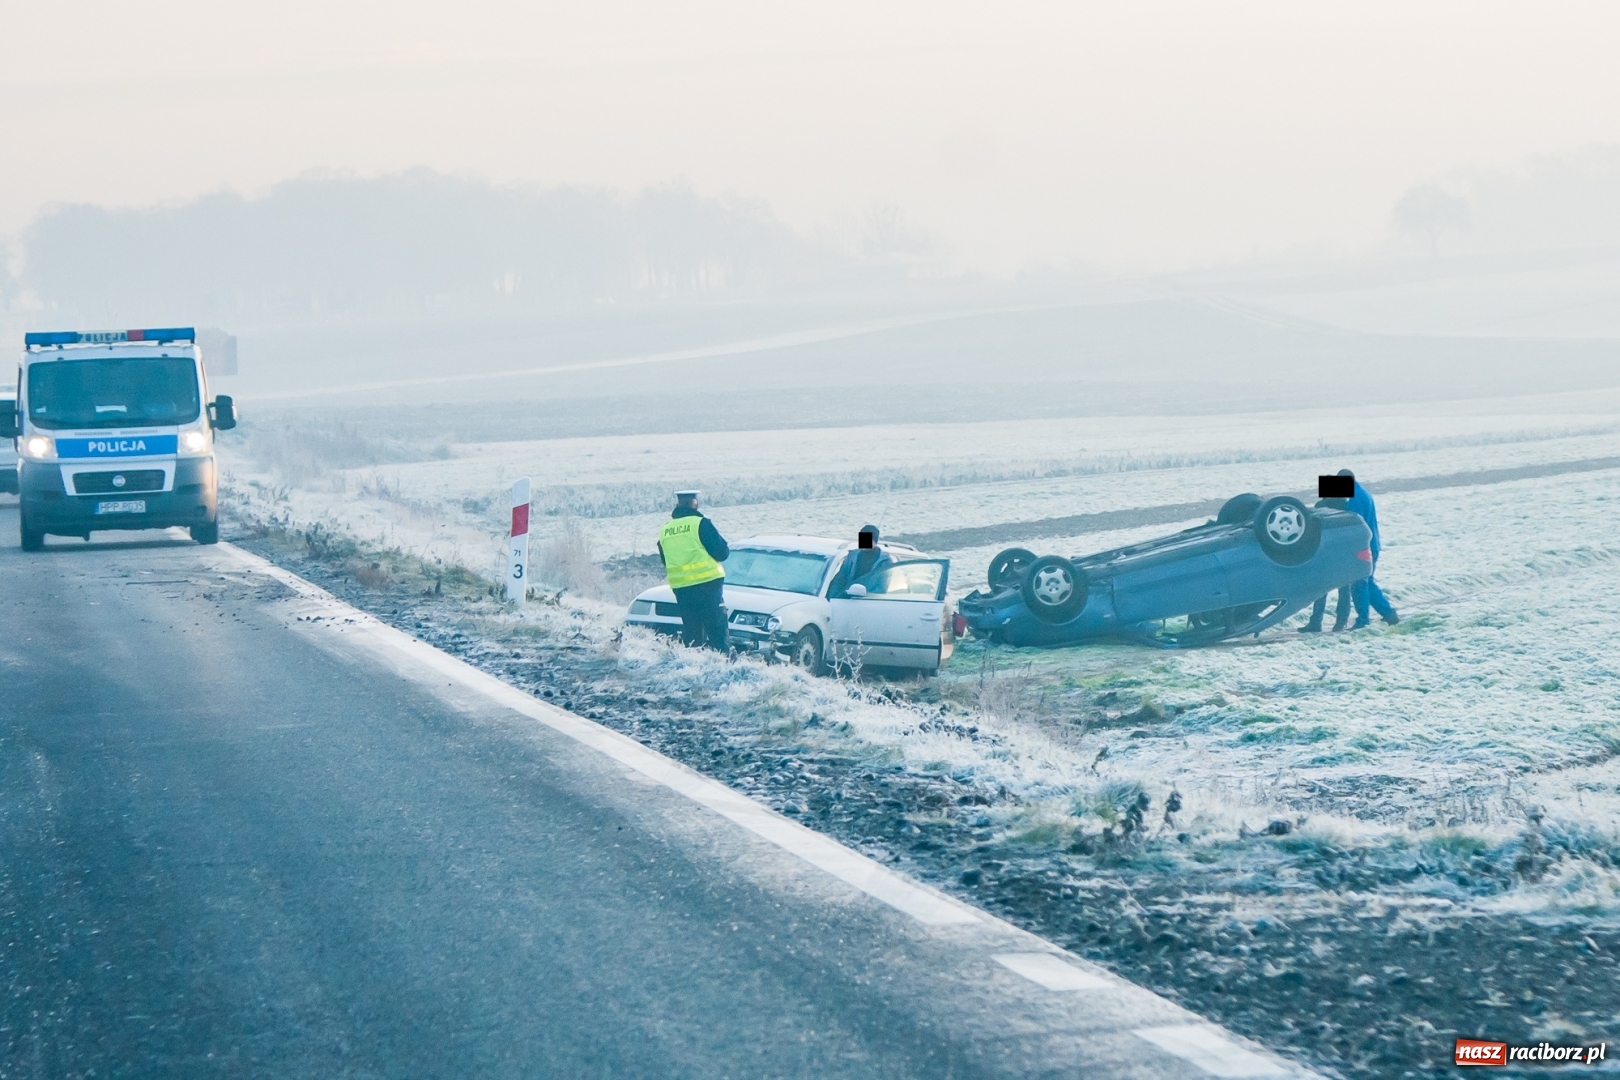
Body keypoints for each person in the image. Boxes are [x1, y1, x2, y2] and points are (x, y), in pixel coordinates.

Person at [657, 490, 731, 651]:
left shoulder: (665, 531)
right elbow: (722, 553)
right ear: (694, 503)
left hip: (682, 589)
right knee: (717, 632)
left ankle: (693, 666)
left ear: (678, 503)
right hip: (708, 586)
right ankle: (723, 667)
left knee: (692, 634)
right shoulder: (701, 523)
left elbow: (665, 560)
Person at [1339, 469, 1399, 628]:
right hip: (1373, 544)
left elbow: (1354, 525)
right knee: (1367, 582)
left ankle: (1363, 620)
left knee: (1359, 584)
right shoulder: (1362, 492)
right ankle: (1389, 613)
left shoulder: (1355, 499)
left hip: (1363, 547)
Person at [1299, 497, 1352, 632]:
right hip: (1343, 552)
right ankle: (1341, 622)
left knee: (1321, 589)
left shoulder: (1320, 506)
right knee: (1344, 589)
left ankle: (1316, 622)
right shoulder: (1346, 506)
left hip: (1324, 552)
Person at [830, 524, 893, 597]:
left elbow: (882, 588)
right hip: (847, 599)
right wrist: (833, 597)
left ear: (874, 540)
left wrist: (865, 597)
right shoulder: (852, 556)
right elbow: (840, 579)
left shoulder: (884, 561)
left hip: (869, 601)